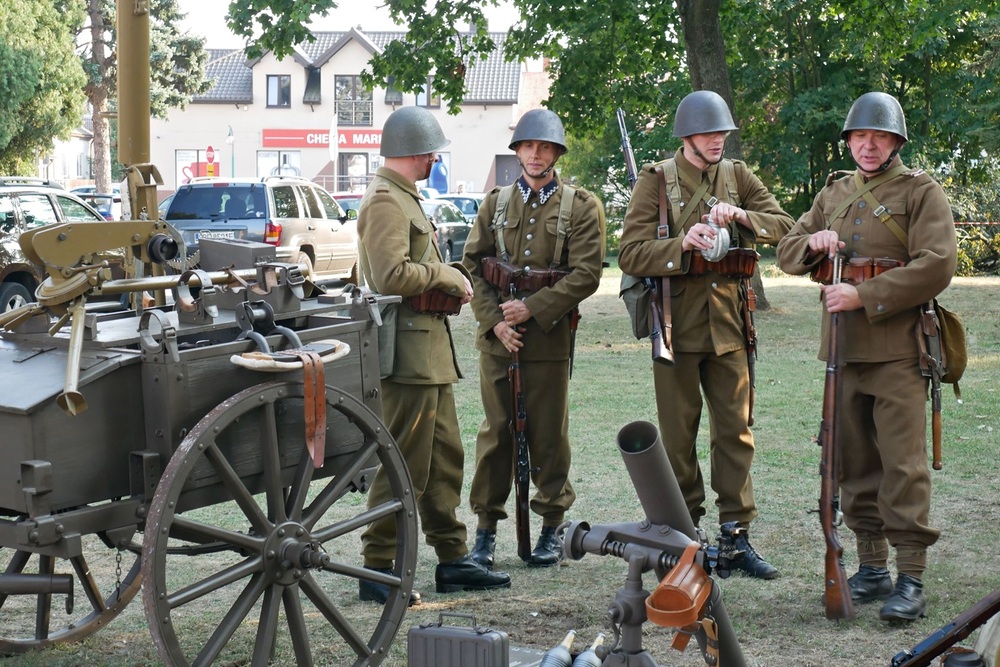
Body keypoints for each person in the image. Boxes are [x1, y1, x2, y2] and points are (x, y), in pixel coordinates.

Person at [776, 92, 957, 621]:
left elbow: (937, 264)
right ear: (850, 142)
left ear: (896, 141)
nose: (868, 145)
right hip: (842, 349)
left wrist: (864, 295)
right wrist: (816, 242)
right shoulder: (833, 191)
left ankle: (910, 577)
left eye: (879, 137)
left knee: (902, 465)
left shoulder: (920, 191)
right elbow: (788, 249)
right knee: (851, 462)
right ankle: (872, 567)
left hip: (899, 349)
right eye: (860, 137)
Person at [618, 90, 794, 579]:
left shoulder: (738, 177)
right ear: (687, 136)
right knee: (677, 439)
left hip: (731, 326)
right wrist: (680, 244)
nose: (717, 140)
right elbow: (630, 253)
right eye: (708, 132)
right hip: (674, 327)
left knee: (735, 434)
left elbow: (784, 225)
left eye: (722, 133)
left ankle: (736, 537)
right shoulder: (655, 181)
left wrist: (742, 216)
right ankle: (683, 536)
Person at [357, 106, 511, 604]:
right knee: (403, 463)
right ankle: (378, 567)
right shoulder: (385, 201)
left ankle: (452, 559)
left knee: (444, 460)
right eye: (430, 152)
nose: (433, 160)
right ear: (413, 152)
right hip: (404, 356)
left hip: (428, 355)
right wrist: (449, 276)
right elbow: (391, 277)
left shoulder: (406, 198)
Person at [462, 109, 605, 568]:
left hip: (547, 341)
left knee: (548, 435)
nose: (536, 154)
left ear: (557, 153)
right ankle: (485, 531)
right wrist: (495, 323)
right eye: (528, 146)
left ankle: (551, 524)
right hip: (498, 342)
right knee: (496, 434)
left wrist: (533, 308)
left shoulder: (582, 206)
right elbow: (473, 265)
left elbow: (585, 275)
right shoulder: (495, 203)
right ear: (518, 150)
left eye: (545, 147)